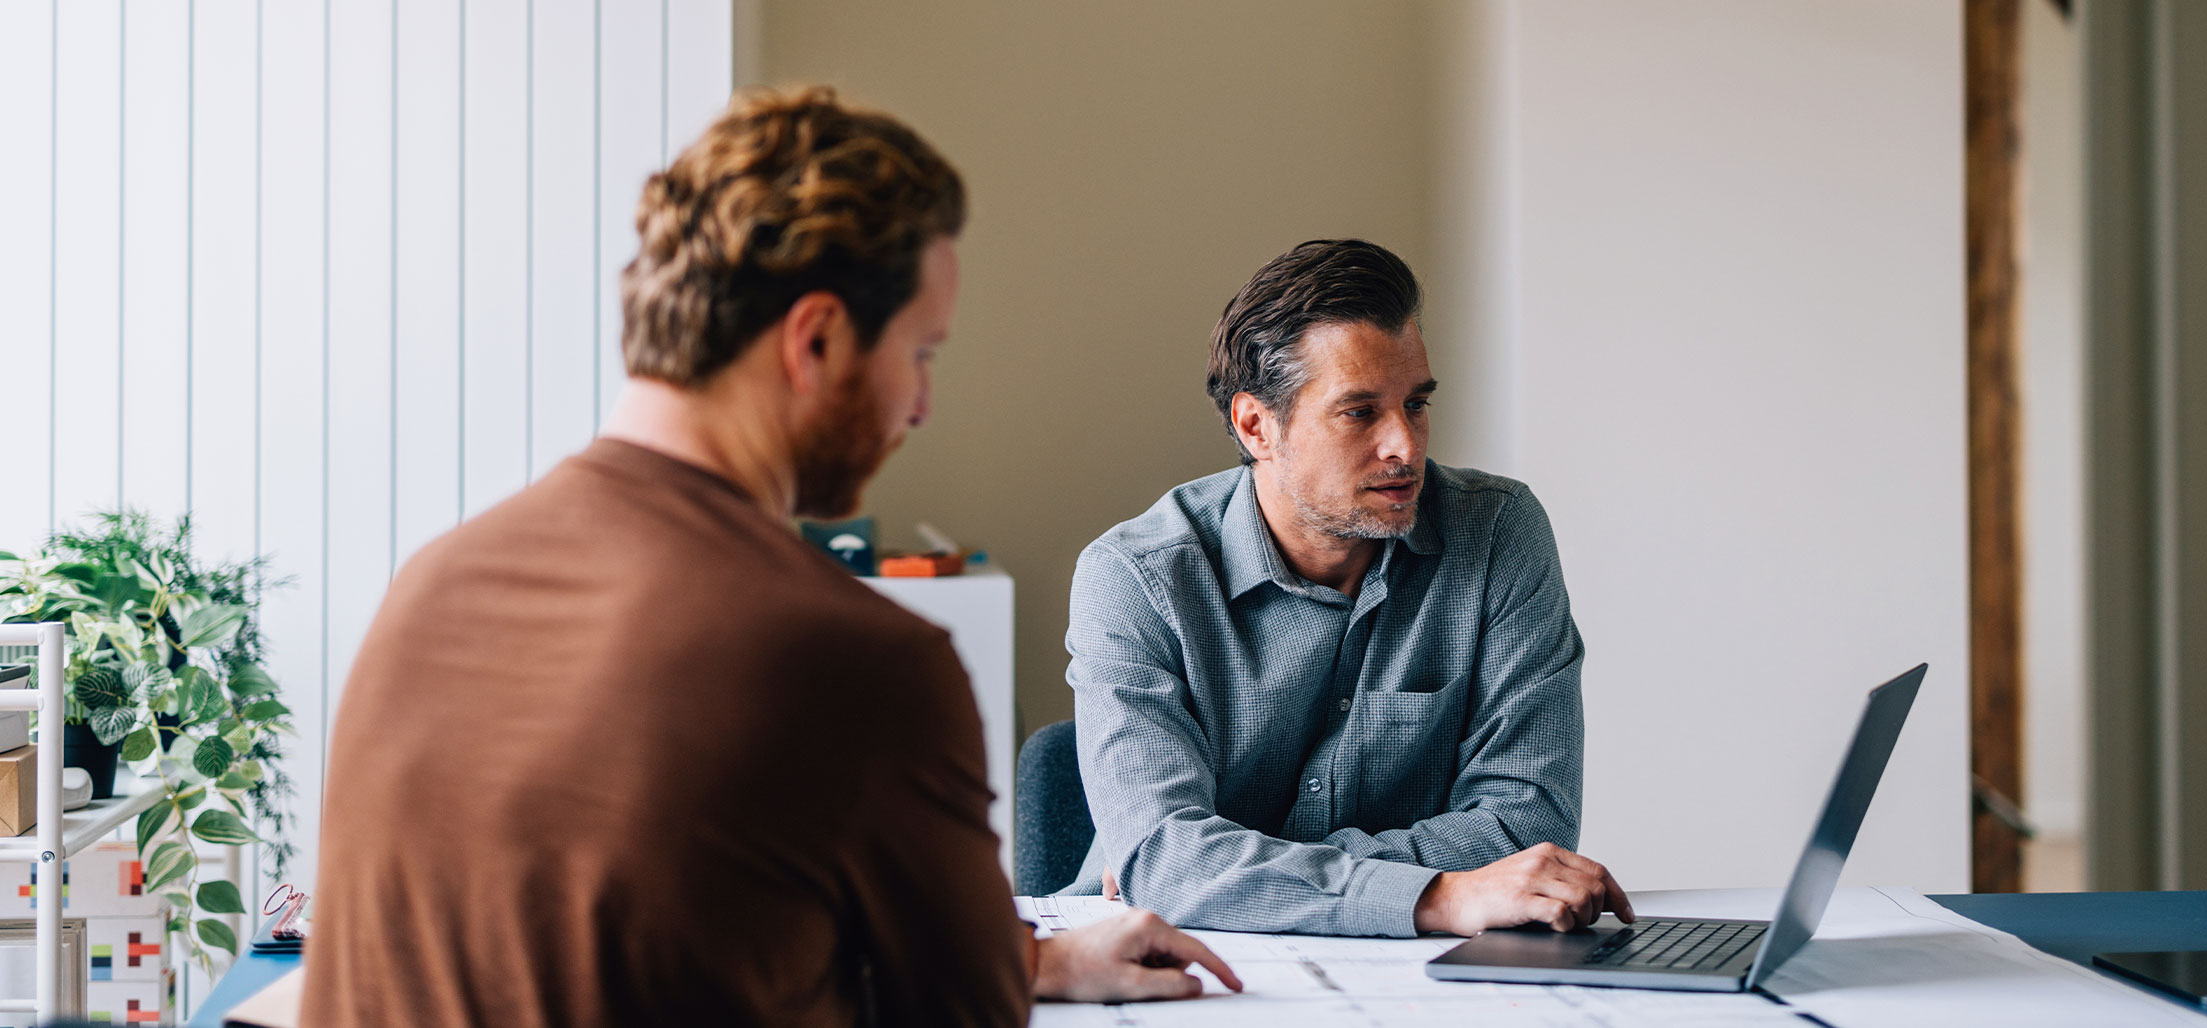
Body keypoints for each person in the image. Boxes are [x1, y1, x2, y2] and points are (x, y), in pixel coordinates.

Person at [304, 86, 1238, 1027]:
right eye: (921, 354)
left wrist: (1039, 958)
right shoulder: (861, 661)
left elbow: (631, 939)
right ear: (819, 338)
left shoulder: (431, 588)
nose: (921, 407)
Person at [1065, 239, 1635, 938]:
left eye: (1417, 403)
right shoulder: (1135, 579)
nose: (1406, 445)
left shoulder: (1497, 535)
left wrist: (1234, 873)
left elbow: (1528, 822)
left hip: (1418, 975)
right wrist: (1434, 895)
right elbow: (1167, 863)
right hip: (1176, 956)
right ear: (1256, 426)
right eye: (1360, 412)